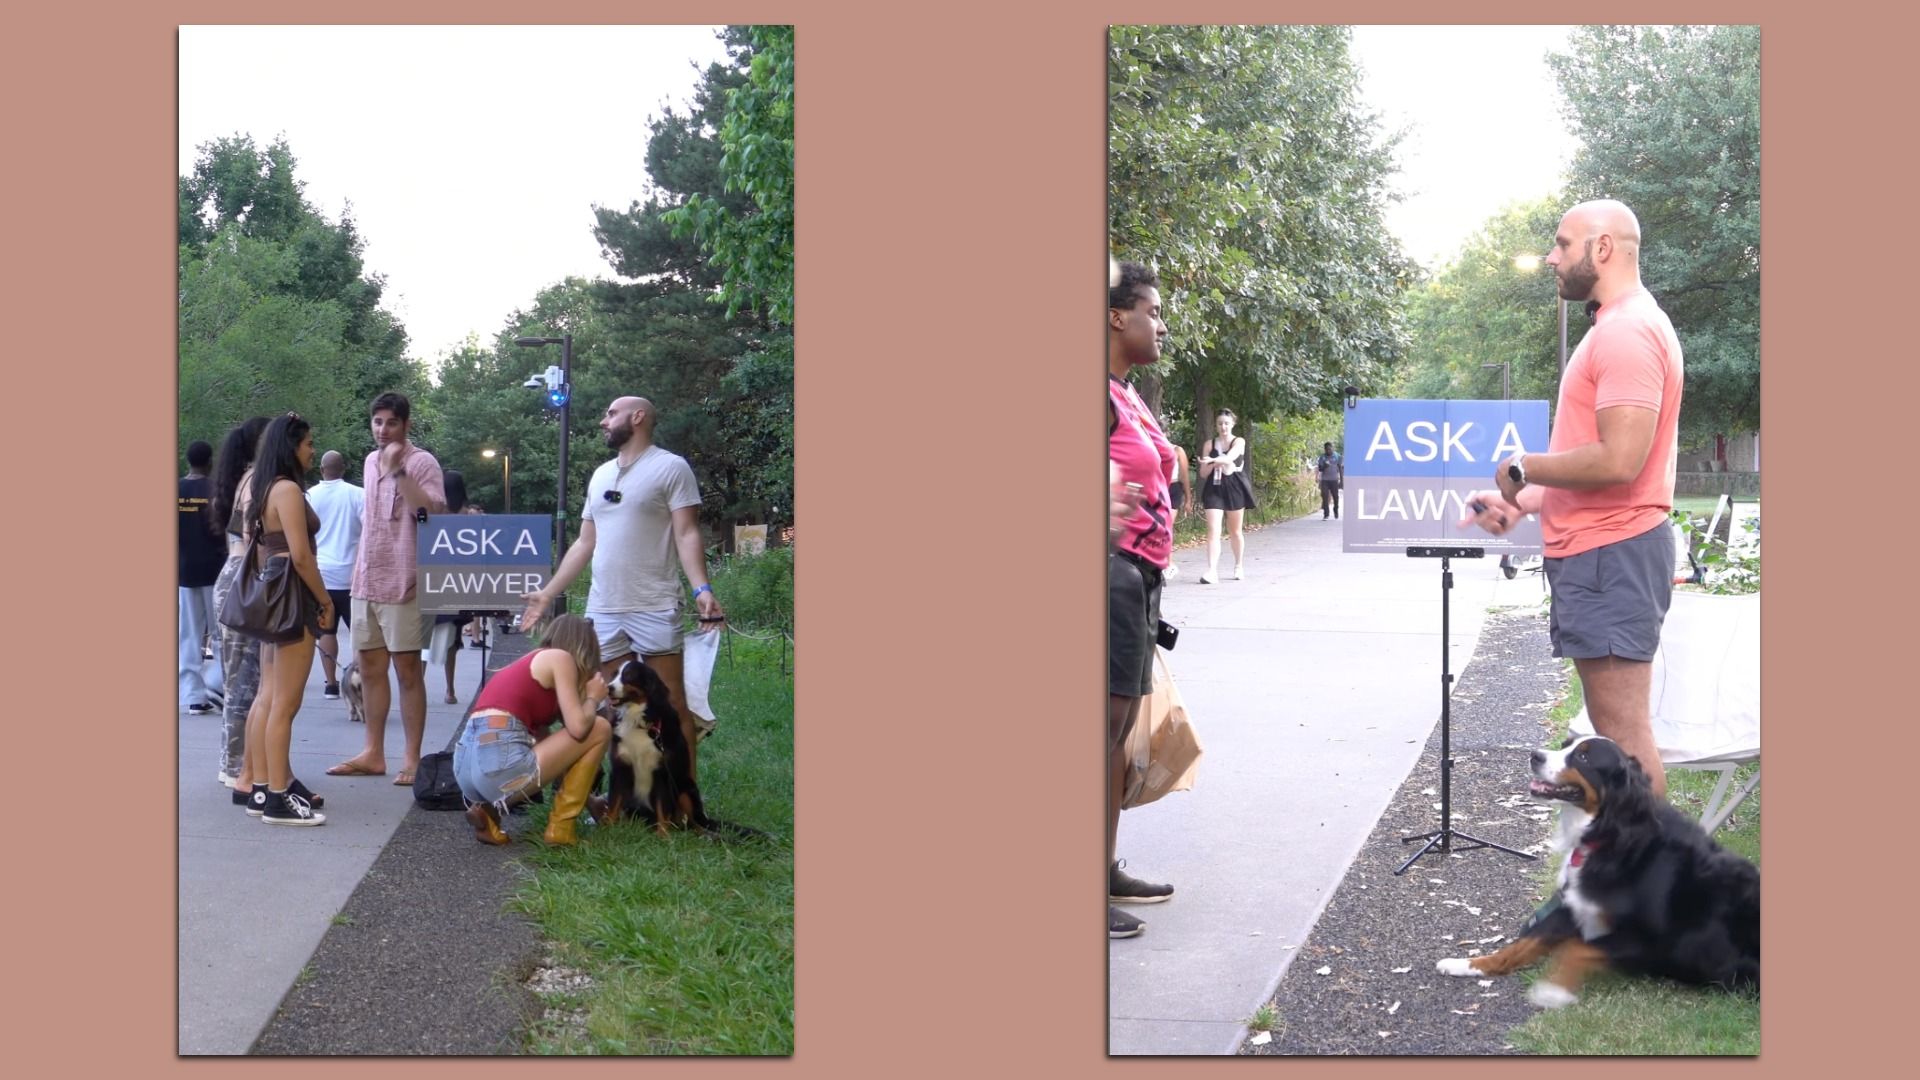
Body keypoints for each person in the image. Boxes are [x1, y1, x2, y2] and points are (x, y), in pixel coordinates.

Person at [1460, 199, 1683, 799]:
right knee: (1616, 730)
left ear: (1602, 248)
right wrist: (1526, 501)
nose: (1554, 257)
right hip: (1602, 554)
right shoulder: (1616, 327)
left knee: (1623, 739)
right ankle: (1634, 884)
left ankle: (1655, 889)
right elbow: (1604, 462)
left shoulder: (1629, 331)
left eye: (1562, 244)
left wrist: (1519, 465)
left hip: (1614, 555)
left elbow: (1620, 460)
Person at [519, 395, 725, 783]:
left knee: (672, 703)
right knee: (613, 705)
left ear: (639, 417)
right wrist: (548, 592)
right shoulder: (600, 475)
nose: (603, 421)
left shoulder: (671, 468)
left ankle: (685, 797)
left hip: (654, 601)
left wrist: (702, 589)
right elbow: (584, 543)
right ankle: (628, 797)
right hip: (605, 607)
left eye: (611, 413)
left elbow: (686, 532)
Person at [1107, 259, 1177, 940]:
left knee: (1119, 738)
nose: (1160, 324)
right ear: (1113, 317)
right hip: (1108, 575)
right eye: (1151, 312)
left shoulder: (1125, 393)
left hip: (1139, 581)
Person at [329, 392, 446, 786]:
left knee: (408, 671)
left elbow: (434, 515)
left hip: (407, 582)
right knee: (370, 668)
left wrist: (400, 473)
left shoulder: (422, 461)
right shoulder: (367, 461)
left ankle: (411, 758)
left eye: (391, 423)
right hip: (366, 578)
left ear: (406, 425)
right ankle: (373, 752)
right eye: (377, 422)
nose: (382, 430)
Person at [235, 413, 336, 825]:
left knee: (267, 696)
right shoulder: (289, 489)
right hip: (293, 592)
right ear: (291, 447)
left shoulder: (262, 488)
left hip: (271, 590)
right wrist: (325, 600)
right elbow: (301, 554)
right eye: (309, 443)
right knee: (285, 703)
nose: (312, 450)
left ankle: (261, 788)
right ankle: (278, 797)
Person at [453, 613, 612, 846]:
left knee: (567, 735)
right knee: (599, 727)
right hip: (498, 763)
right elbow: (579, 729)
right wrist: (592, 699)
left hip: (466, 772)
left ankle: (487, 812)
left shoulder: (530, 665)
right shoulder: (560, 657)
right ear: (584, 649)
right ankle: (561, 827)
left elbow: (556, 753)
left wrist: (590, 801)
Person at [210, 416, 271, 789]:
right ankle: (239, 767)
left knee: (242, 679)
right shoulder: (257, 481)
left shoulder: (243, 478)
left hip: (233, 577)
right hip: (244, 579)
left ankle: (237, 763)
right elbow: (255, 540)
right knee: (247, 681)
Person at [306, 450, 364, 700]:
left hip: (320, 575)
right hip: (351, 575)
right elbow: (368, 532)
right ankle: (359, 681)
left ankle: (330, 684)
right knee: (359, 633)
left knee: (326, 631)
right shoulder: (358, 494)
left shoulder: (308, 496)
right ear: (344, 469)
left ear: (321, 469)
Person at [179, 440, 227, 714]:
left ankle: (193, 696)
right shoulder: (215, 490)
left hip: (184, 572)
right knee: (219, 633)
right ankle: (219, 685)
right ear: (210, 461)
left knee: (188, 635)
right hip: (214, 571)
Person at [429, 469, 477, 704]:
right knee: (451, 641)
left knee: (423, 639)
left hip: (431, 580)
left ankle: (418, 683)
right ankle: (450, 689)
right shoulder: (468, 515)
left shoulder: (433, 512)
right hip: (456, 582)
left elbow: (417, 526)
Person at [1197, 409, 1254, 582]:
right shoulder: (1209, 444)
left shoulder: (1239, 441)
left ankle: (1238, 565)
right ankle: (1212, 570)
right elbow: (1203, 473)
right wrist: (1210, 464)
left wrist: (1214, 460)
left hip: (1235, 485)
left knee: (1235, 531)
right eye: (1220, 423)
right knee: (1213, 529)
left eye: (1226, 423)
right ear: (1216, 425)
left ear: (1232, 424)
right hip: (1214, 487)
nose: (1223, 427)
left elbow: (1231, 457)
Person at [1163, 442, 1191, 579]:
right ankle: (1161, 561)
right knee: (1158, 527)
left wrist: (1188, 499)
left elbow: (1184, 475)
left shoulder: (1177, 450)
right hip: (1158, 488)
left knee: (1166, 525)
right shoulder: (1150, 447)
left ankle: (1170, 563)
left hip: (1173, 488)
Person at [1314, 441, 1344, 520]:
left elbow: (1340, 468)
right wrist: (1324, 466)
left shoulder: (1337, 456)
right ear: (1324, 449)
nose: (1328, 451)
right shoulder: (1322, 457)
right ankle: (1326, 514)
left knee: (1335, 497)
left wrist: (1341, 480)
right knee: (1325, 496)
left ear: (1332, 448)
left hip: (1334, 480)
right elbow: (1320, 468)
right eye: (1327, 450)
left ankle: (1335, 509)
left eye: (1330, 449)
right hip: (1325, 480)